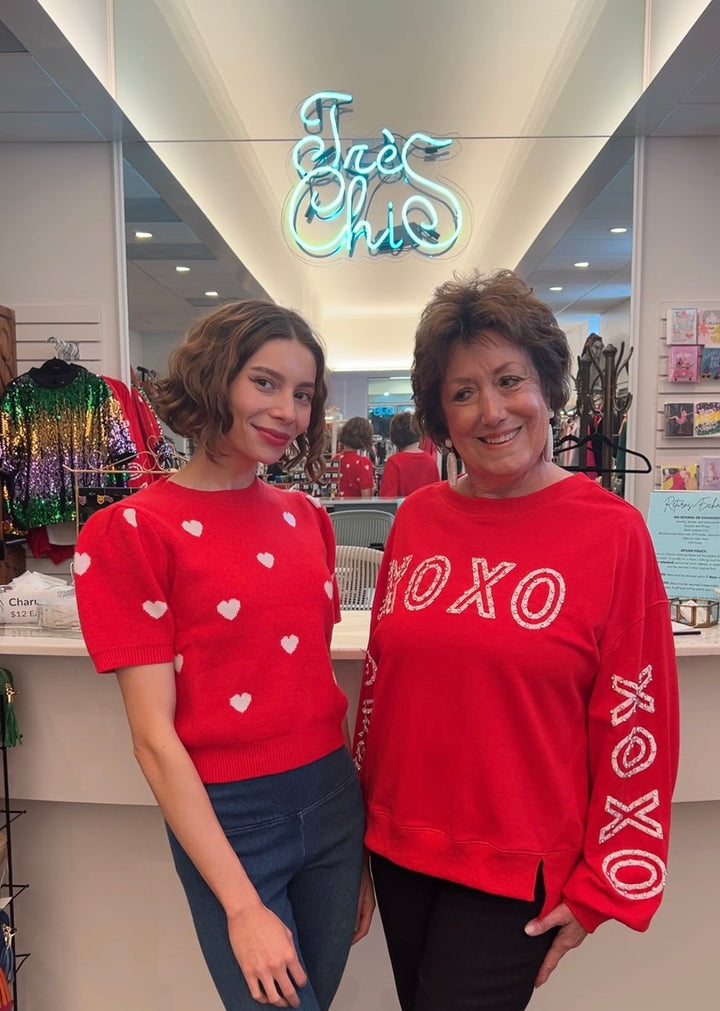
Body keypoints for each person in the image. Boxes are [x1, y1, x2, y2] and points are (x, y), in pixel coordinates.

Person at [353, 270, 679, 1011]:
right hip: (400, 846)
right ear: (439, 413)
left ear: (548, 390)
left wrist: (606, 882)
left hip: (515, 865)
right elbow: (380, 686)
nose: (491, 411)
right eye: (463, 391)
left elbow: (639, 714)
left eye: (509, 381)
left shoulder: (612, 530)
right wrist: (359, 835)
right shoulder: (416, 519)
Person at [74, 300, 374, 1011]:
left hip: (333, 801)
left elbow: (309, 683)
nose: (288, 411)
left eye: (302, 394)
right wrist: (241, 906)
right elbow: (153, 741)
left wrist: (358, 850)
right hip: (231, 820)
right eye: (265, 383)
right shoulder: (131, 532)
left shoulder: (307, 520)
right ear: (215, 380)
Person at [378, 411, 440, 498]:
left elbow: (387, 499)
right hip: (426, 510)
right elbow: (436, 495)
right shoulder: (430, 461)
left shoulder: (394, 462)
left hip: (402, 510)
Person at [334, 416, 376, 498]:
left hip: (335, 509)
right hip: (355, 509)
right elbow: (366, 497)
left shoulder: (334, 460)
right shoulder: (363, 463)